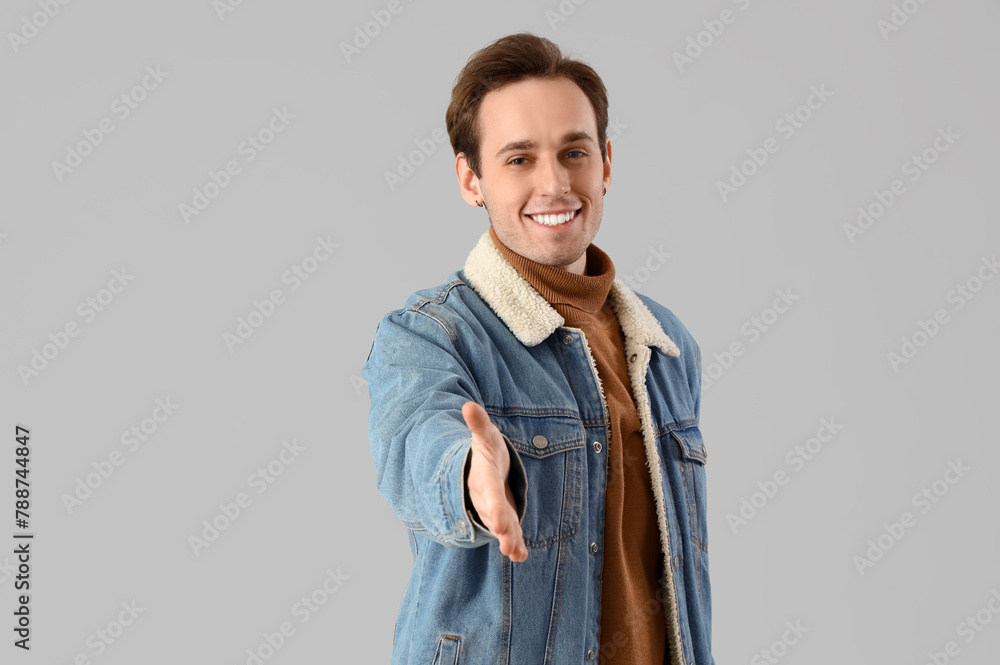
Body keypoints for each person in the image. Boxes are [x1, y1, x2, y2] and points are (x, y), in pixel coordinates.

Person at [363, 32, 715, 665]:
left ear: (606, 163)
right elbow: (417, 441)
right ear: (472, 179)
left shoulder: (666, 345)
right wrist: (472, 475)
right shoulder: (427, 334)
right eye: (519, 159)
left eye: (574, 152)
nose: (555, 184)